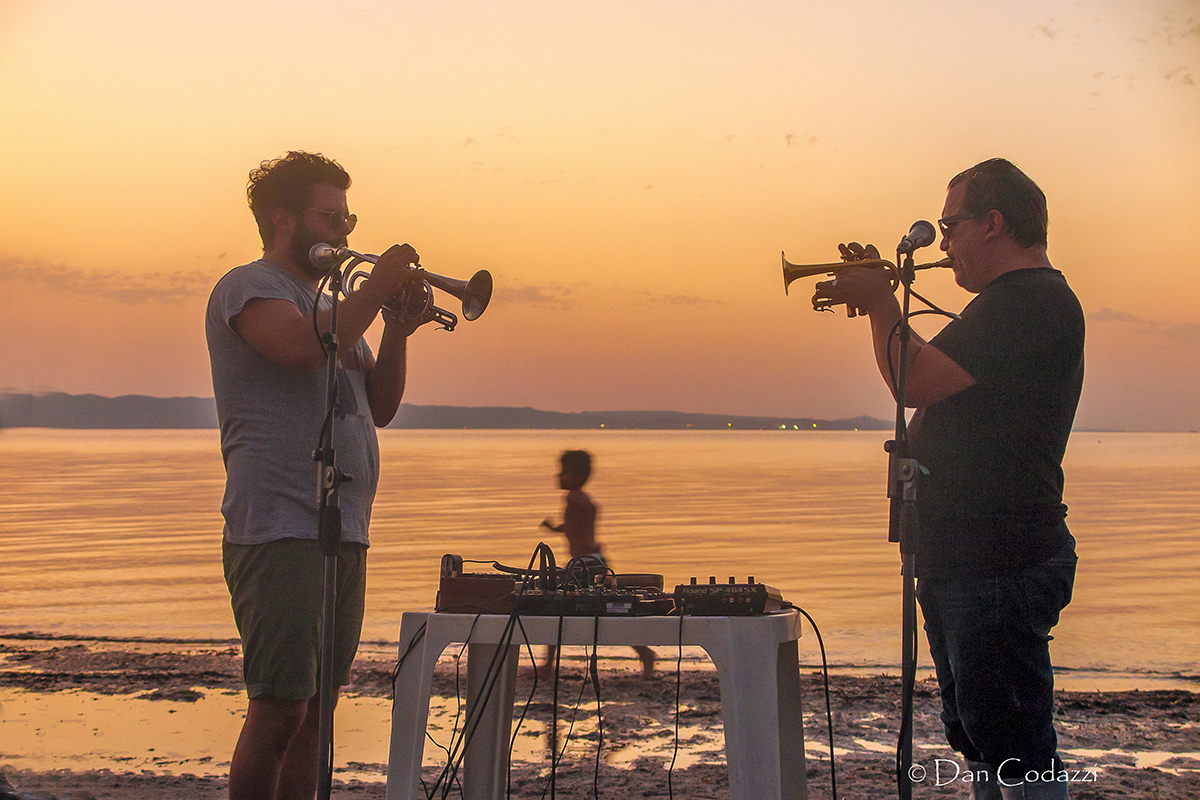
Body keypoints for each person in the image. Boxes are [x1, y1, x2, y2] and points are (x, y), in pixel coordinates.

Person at [812, 159, 1084, 800]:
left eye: (950, 225)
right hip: (969, 559)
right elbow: (925, 374)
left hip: (1000, 561)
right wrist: (883, 307)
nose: (946, 242)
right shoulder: (1002, 308)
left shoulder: (1032, 303)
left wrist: (881, 303)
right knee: (984, 742)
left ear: (993, 224)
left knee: (1020, 753)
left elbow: (916, 381)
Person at [206, 151, 422, 800]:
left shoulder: (333, 311)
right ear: (282, 220)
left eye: (348, 217)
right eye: (331, 216)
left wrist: (398, 330)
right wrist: (376, 289)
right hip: (280, 529)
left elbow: (378, 408)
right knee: (279, 711)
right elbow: (301, 351)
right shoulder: (249, 288)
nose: (346, 232)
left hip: (341, 530)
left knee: (316, 716)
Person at [538, 449, 656, 680]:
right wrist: (556, 529)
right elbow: (577, 523)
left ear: (578, 476)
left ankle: (547, 667)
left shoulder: (573, 498)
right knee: (607, 612)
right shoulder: (581, 499)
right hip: (590, 561)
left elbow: (584, 517)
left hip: (585, 564)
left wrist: (586, 544)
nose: (558, 476)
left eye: (563, 472)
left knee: (555, 607)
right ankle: (645, 654)